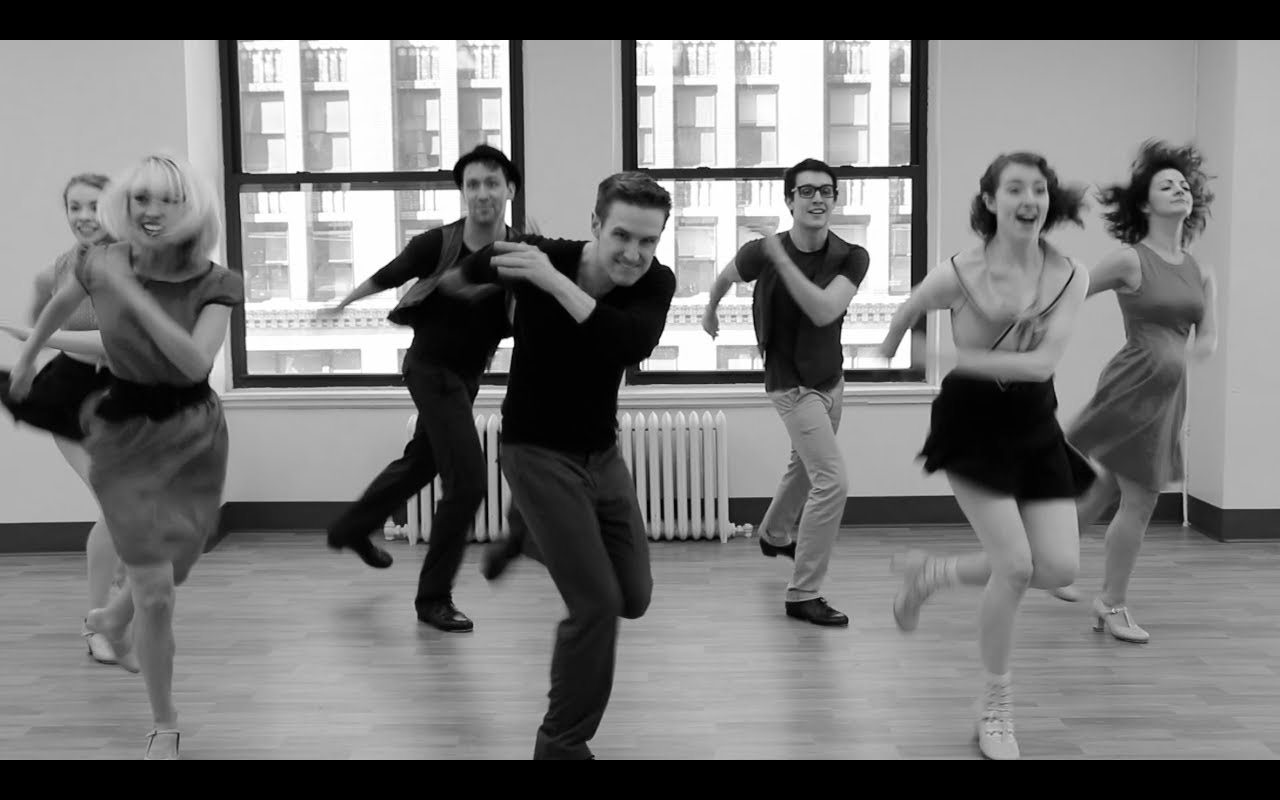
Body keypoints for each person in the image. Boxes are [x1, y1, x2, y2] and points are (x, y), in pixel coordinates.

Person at [10, 154, 243, 760]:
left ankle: (111, 619)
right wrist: (28, 357)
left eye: (167, 198)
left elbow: (194, 363)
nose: (152, 210)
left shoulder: (218, 283)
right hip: (123, 431)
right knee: (156, 592)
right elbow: (60, 303)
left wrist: (132, 296)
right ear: (127, 204)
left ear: (190, 206)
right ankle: (164, 724)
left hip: (195, 432)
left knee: (181, 558)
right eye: (141, 198)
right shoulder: (100, 262)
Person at [447, 171, 676, 760]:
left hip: (601, 454)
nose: (634, 253)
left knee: (634, 597)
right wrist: (449, 292)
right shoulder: (541, 254)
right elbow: (474, 266)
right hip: (535, 452)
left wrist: (550, 282)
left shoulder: (654, 282)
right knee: (596, 607)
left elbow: (628, 343)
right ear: (596, 224)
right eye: (622, 235)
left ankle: (527, 534)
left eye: (648, 241)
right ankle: (560, 744)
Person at [876, 152, 1092, 760]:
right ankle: (995, 707)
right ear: (991, 201)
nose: (1030, 200)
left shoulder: (1070, 275)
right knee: (1016, 567)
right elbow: (906, 311)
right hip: (971, 424)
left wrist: (949, 357)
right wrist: (896, 345)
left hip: (1034, 423)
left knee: (1058, 569)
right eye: (1015, 188)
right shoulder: (959, 273)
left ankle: (933, 574)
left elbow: (1042, 365)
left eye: (1039, 189)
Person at [322, 145, 525, 633]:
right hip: (430, 370)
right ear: (463, 193)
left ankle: (351, 527)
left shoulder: (520, 250)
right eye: (472, 184)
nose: (482, 193)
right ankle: (433, 598)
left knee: (422, 462)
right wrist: (344, 303)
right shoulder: (438, 243)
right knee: (469, 482)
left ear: (510, 190)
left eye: (491, 183)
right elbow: (389, 274)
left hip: (466, 378)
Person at [1047, 140, 1216, 646]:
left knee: (1107, 488)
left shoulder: (1201, 271)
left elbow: (1207, 337)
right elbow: (1071, 293)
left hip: (1169, 394)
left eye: (1184, 185)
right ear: (1145, 203)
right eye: (1167, 185)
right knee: (1140, 499)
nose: (1180, 189)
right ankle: (1112, 602)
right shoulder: (1130, 260)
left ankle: (1049, 562)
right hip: (1133, 385)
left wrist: (1187, 357)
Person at [700, 158, 869, 626]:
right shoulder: (763, 251)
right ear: (789, 200)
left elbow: (824, 310)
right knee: (832, 480)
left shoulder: (851, 256)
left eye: (826, 191)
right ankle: (803, 593)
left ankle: (774, 534)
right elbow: (726, 276)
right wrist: (711, 309)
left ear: (835, 200)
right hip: (791, 384)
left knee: (803, 465)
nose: (817, 199)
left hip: (831, 380)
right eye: (806, 191)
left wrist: (778, 258)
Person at [0, 172, 125, 666]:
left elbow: (116, 342)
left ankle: (116, 579)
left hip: (125, 394)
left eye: (94, 206)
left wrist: (35, 340)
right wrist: (26, 365)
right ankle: (97, 623)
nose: (83, 216)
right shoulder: (53, 272)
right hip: (69, 397)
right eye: (75, 207)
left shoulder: (137, 266)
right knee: (115, 506)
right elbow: (41, 327)